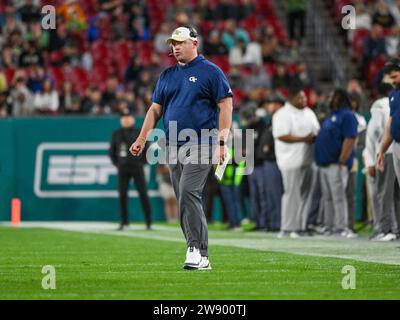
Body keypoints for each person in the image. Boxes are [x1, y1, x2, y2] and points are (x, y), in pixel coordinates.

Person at [129, 26, 233, 270]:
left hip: (203, 142)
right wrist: (141, 139)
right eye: (172, 43)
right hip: (173, 145)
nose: (175, 47)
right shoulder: (167, 75)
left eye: (180, 42)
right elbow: (155, 110)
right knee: (183, 198)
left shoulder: (211, 72)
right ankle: (201, 254)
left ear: (194, 43)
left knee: (188, 192)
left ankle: (195, 248)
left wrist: (221, 142)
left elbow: (226, 106)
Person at [273, 87, 320, 238]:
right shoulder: (282, 114)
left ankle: (300, 226)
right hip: (290, 161)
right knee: (291, 194)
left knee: (306, 194)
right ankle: (287, 228)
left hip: (308, 158)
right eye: (300, 98)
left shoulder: (309, 112)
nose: (304, 100)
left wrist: (312, 137)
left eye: (305, 97)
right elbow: (281, 135)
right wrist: (304, 138)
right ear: (291, 98)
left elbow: (317, 130)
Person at [315, 89, 358, 238]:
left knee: (338, 197)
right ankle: (330, 226)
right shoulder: (332, 115)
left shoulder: (347, 115)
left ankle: (341, 227)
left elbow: (350, 138)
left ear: (339, 97)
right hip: (324, 164)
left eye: (332, 96)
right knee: (327, 198)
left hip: (336, 164)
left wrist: (343, 159)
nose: (330, 99)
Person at [365, 82, 400, 241]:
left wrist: (372, 160)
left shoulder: (379, 106)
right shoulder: (392, 103)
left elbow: (376, 132)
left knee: (384, 194)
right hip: (393, 150)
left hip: (386, 153)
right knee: (395, 194)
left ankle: (385, 230)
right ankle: (395, 229)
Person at [109, 109, 152, 231]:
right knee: (122, 195)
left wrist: (141, 162)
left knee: (143, 194)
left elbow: (147, 149)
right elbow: (112, 152)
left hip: (137, 167)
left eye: (128, 117)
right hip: (123, 168)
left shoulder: (139, 132)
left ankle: (148, 222)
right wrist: (118, 164)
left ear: (132, 119)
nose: (126, 119)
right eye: (124, 117)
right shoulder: (116, 134)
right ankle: (124, 222)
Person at [377, 58, 400, 240]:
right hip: (397, 145)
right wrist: (382, 150)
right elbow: (390, 125)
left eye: (395, 76)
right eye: (390, 78)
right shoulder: (393, 94)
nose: (393, 80)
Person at [258, 93, 286, 231]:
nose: (269, 106)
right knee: (269, 194)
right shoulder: (273, 120)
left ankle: (278, 223)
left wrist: (269, 148)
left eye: (272, 103)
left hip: (275, 160)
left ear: (279, 104)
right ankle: (271, 222)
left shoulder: (282, 118)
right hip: (268, 162)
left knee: (276, 194)